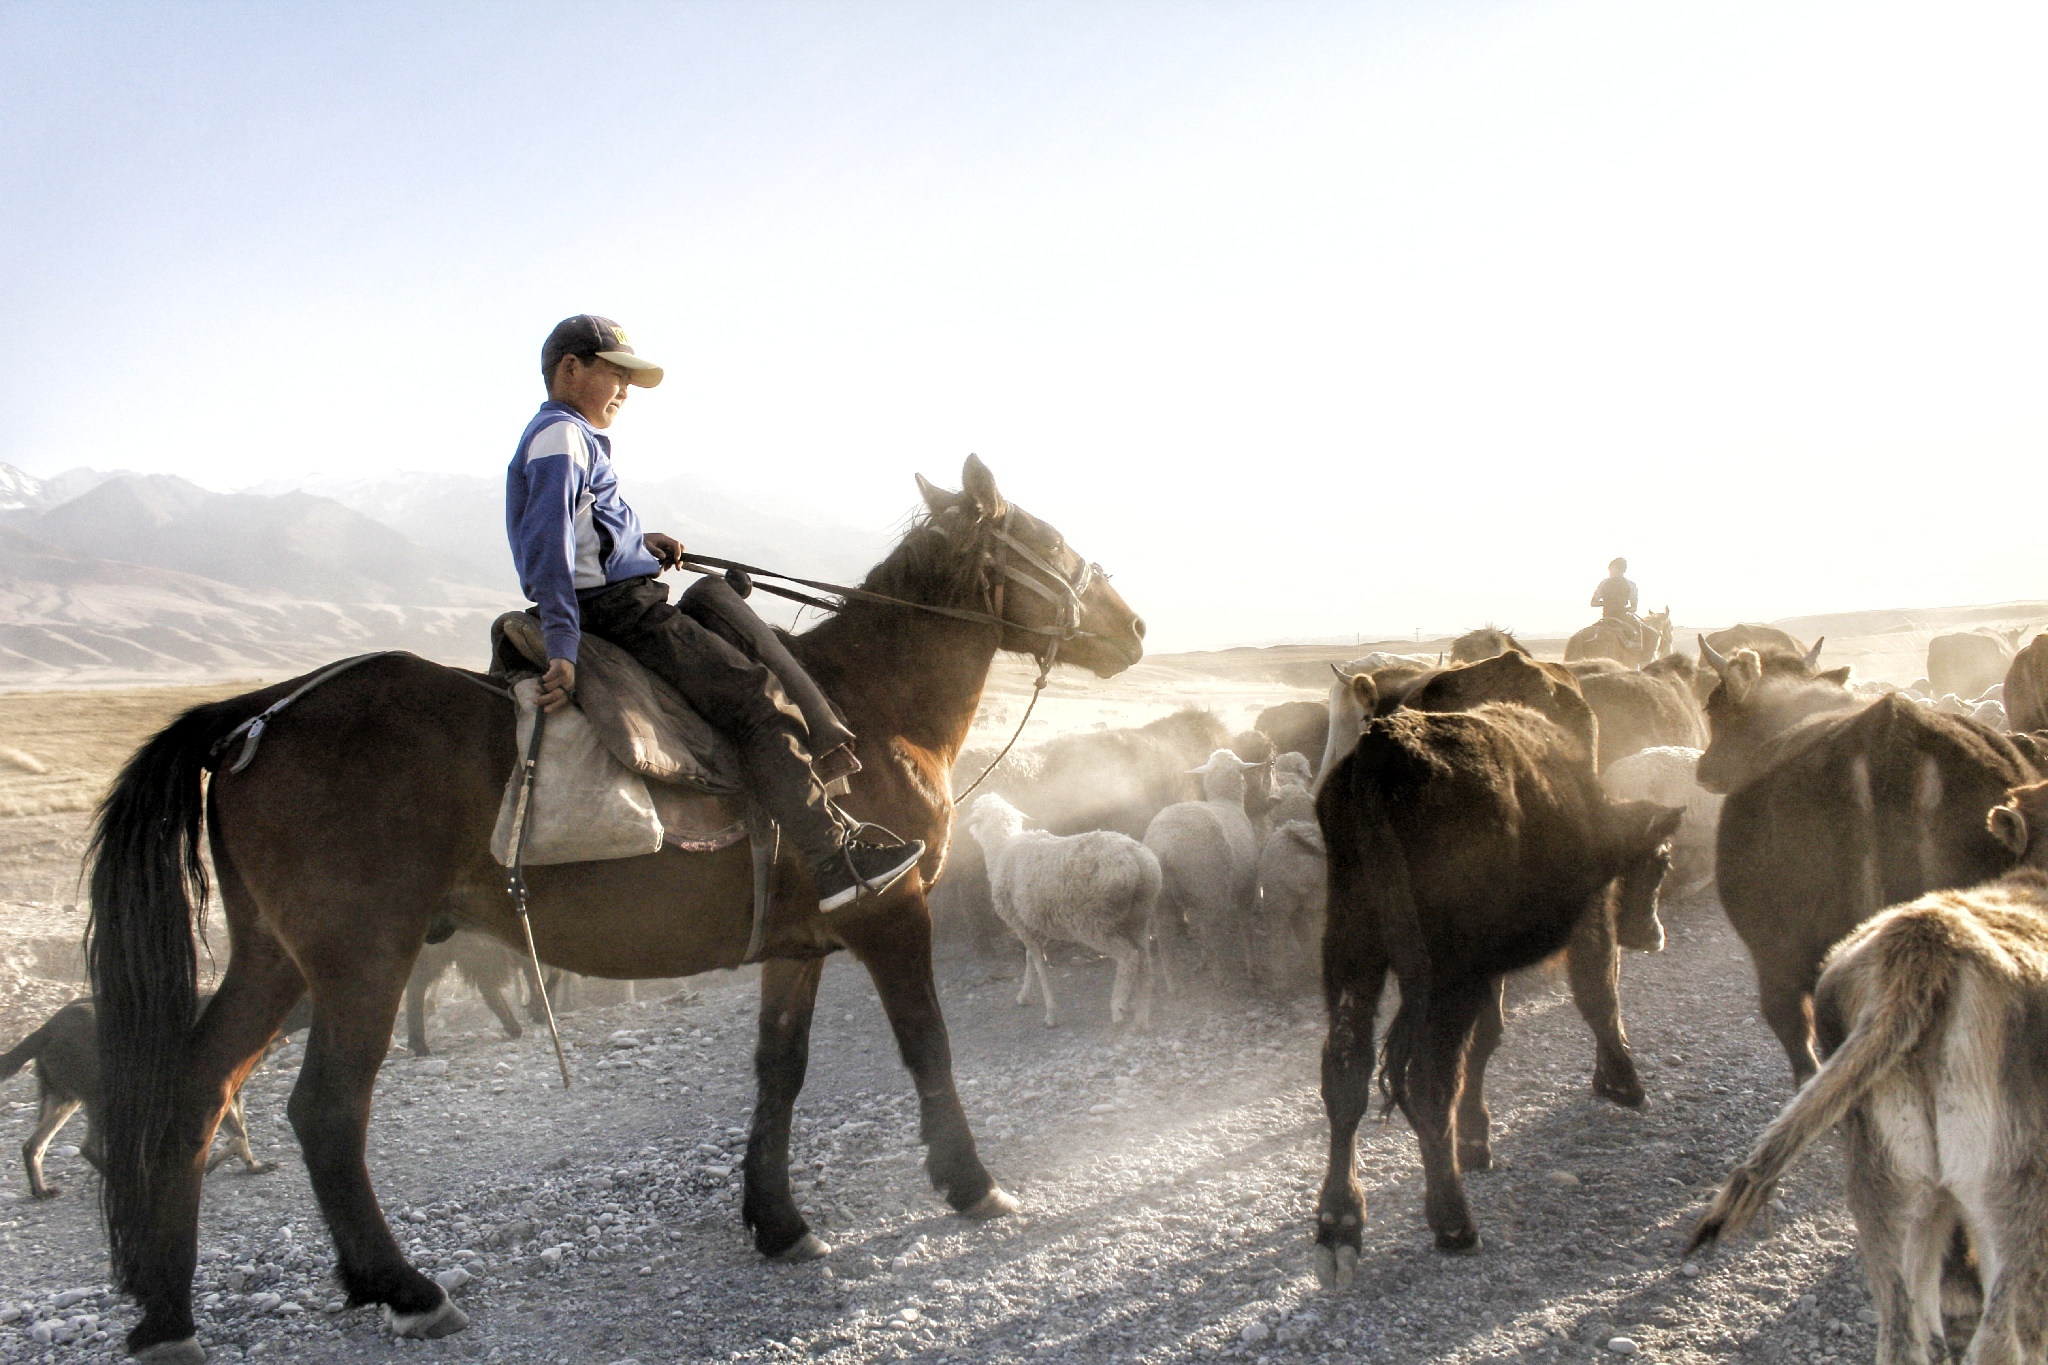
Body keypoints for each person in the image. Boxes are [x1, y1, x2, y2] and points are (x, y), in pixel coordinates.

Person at [506, 314, 922, 912]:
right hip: (622, 613)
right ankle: (835, 865)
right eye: (614, 373)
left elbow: (576, 531)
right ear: (570, 369)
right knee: (758, 705)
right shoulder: (562, 437)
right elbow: (549, 547)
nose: (624, 390)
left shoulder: (564, 436)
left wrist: (637, 544)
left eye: (630, 379)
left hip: (617, 595)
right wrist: (563, 649)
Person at [1589, 557, 1642, 651]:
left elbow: (1593, 602)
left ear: (1618, 569)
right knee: (1637, 632)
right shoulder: (1630, 585)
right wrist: (1627, 608)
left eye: (1611, 569)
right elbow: (1634, 607)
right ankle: (1636, 654)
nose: (1610, 572)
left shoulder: (1604, 583)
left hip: (1606, 617)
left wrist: (1605, 603)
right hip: (1622, 617)